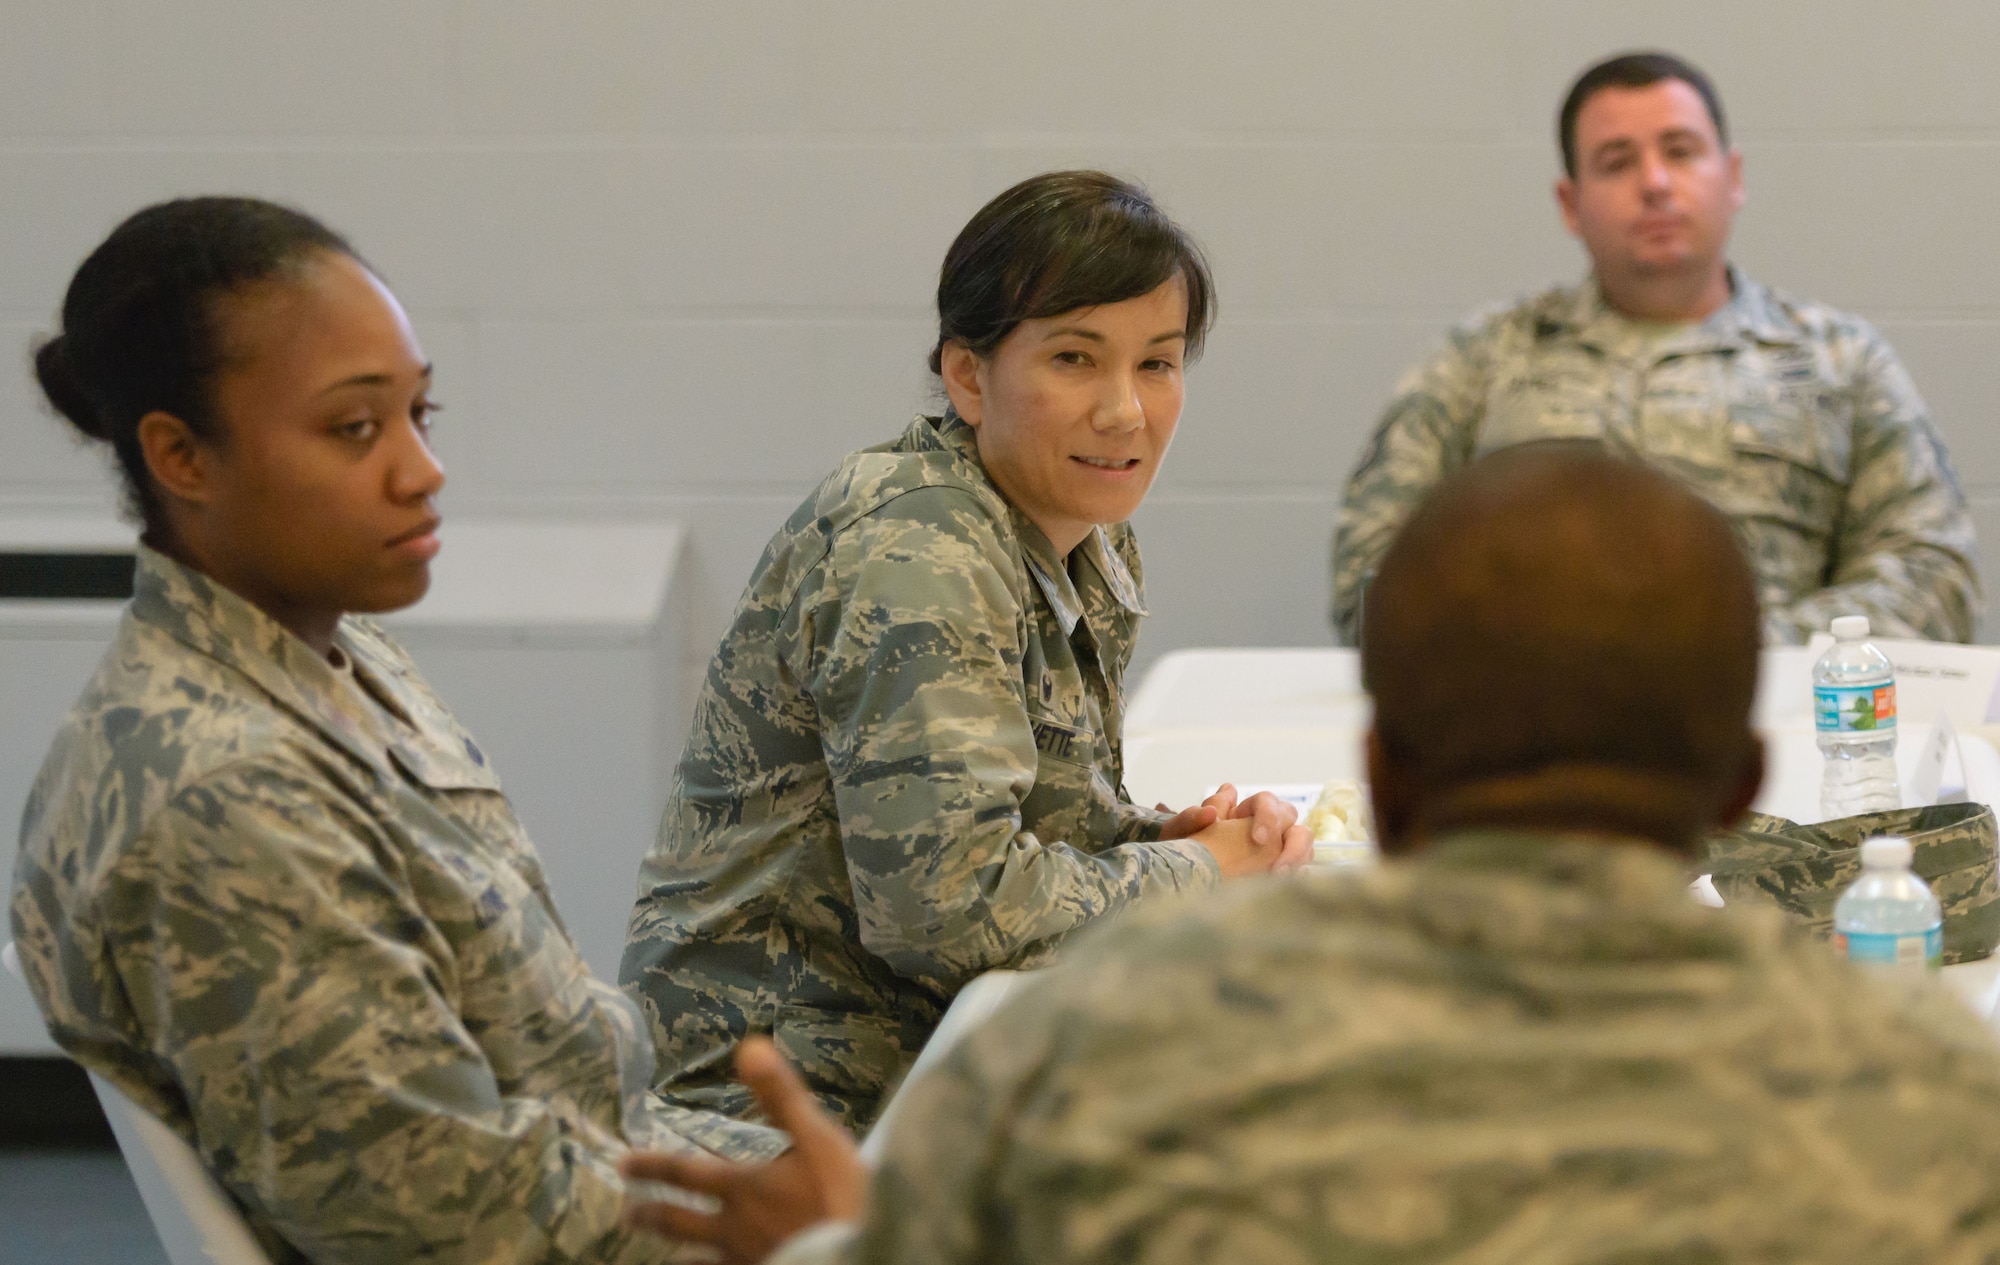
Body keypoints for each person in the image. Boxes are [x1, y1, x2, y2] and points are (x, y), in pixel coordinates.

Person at [620, 443, 2000, 1263]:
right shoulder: (1940, 1108)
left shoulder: (1090, 1056)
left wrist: (831, 1241)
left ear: (1384, 788)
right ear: (1746, 782)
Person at [9, 197, 782, 1265]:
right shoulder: (222, 795)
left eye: (423, 413)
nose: (422, 469)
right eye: (355, 427)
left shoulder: (336, 654)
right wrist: (835, 1224)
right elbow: (456, 1217)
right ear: (182, 457)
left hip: (609, 1149)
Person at [620, 170, 1313, 1134]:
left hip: (936, 1063)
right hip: (777, 1118)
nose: (1126, 412)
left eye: (1156, 364)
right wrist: (1201, 874)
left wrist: (1159, 839)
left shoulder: (1073, 526)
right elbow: (949, 910)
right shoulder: (919, 547)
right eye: (1075, 359)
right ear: (967, 374)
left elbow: (1023, 820)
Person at [1331, 50, 1979, 646]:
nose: (1656, 183)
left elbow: (1934, 575)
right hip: (1530, 729)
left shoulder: (1839, 360)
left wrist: (1738, 653)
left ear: (1733, 177)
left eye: (1681, 151)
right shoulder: (1485, 359)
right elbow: (1372, 570)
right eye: (1617, 161)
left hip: (1777, 724)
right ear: (1569, 203)